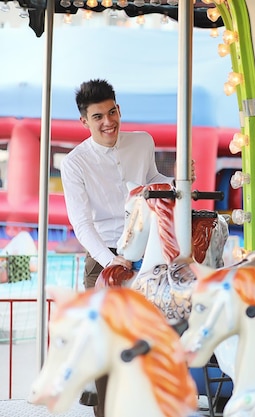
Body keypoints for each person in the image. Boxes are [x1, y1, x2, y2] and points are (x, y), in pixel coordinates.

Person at [60, 79, 176, 417]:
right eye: (98, 117)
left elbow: (153, 179)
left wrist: (179, 180)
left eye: (112, 112)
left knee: (156, 333)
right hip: (105, 254)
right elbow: (82, 224)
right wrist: (113, 262)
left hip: (148, 247)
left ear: (119, 109)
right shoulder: (75, 163)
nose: (108, 122)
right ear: (85, 121)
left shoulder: (142, 142)